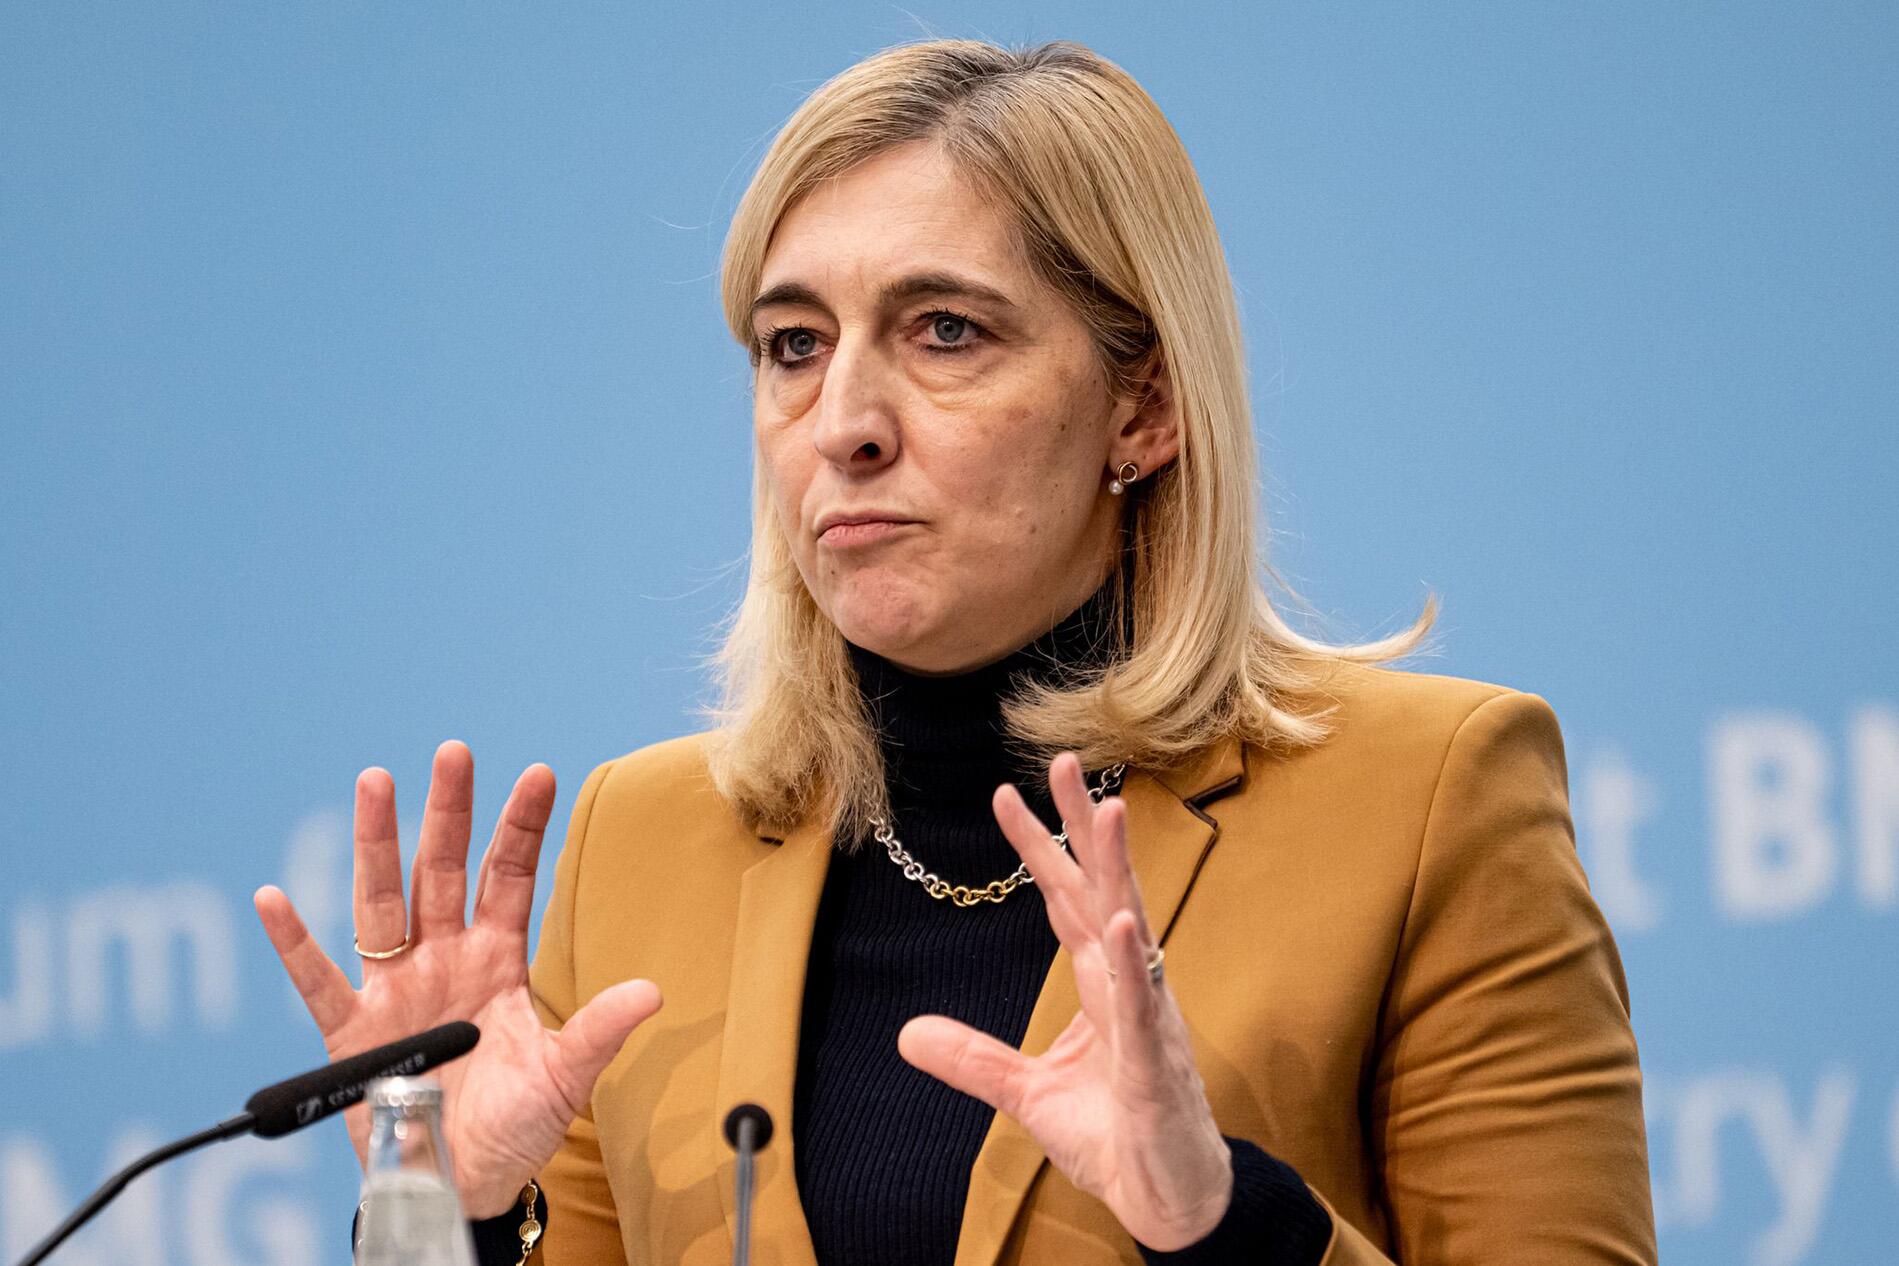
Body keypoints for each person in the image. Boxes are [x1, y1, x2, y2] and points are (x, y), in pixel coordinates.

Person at [253, 38, 1657, 1266]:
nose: (843, 424)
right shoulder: (643, 845)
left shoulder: (1426, 801)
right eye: (792, 344)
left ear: (1144, 406)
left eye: (944, 332)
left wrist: (1224, 1221)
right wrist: (449, 1220)